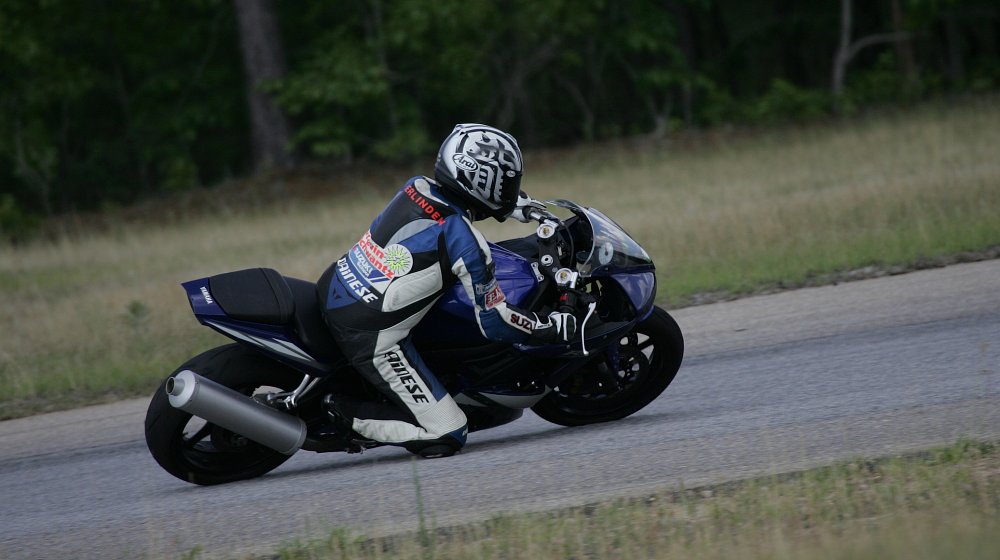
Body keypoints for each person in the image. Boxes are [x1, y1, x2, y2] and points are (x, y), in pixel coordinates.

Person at [317, 123, 577, 458]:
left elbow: (456, 208)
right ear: (483, 180)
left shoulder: (417, 187)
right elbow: (495, 322)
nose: (511, 189)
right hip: (368, 333)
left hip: (338, 284)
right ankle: (344, 413)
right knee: (448, 433)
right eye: (507, 183)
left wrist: (520, 208)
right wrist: (548, 328)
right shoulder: (468, 246)